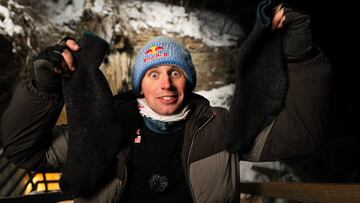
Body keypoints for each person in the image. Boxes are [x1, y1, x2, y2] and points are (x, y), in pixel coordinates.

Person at [0, 2, 332, 203]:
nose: (166, 84)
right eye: (153, 74)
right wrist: (42, 89)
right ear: (139, 85)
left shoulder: (219, 129)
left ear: (188, 80)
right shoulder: (103, 127)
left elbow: (300, 134)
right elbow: (23, 152)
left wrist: (299, 57)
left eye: (175, 72)